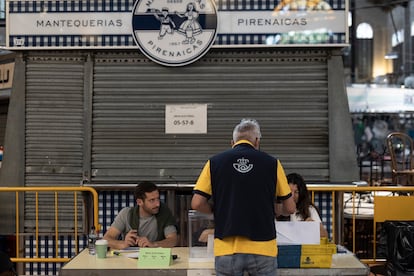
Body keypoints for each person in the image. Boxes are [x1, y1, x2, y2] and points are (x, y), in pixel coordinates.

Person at [191, 118, 296, 276]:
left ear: (232, 142)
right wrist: (276, 209)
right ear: (257, 141)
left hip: (226, 249)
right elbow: (290, 208)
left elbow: (197, 203)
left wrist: (216, 209)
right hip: (263, 249)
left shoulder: (214, 163)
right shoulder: (272, 163)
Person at [103, 181, 178, 249]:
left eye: (158, 199)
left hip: (155, 259)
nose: (157, 204)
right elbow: (106, 239)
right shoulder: (126, 214)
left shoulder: (164, 212)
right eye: (152, 200)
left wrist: (153, 244)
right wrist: (123, 244)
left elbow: (173, 240)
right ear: (139, 202)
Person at [283, 173, 329, 238]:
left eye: (296, 192)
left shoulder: (309, 209)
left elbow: (324, 236)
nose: (292, 196)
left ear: (301, 194)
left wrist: (313, 226)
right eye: (289, 191)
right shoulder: (277, 209)